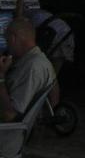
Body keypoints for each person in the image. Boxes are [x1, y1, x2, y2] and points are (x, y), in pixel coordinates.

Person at [0, 17, 57, 157]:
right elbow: (56, 94)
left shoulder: (33, 67)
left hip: (6, 136)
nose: (7, 46)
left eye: (7, 41)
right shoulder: (35, 61)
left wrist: (0, 77)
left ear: (13, 38)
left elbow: (9, 115)